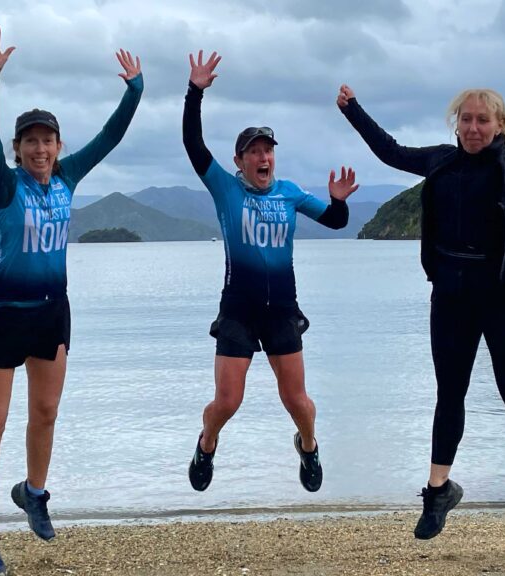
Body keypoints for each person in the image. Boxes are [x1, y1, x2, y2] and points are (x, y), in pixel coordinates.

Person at [337, 51, 505, 553]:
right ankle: (438, 492)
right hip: (452, 297)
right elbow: (390, 152)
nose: (475, 127)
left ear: (501, 124)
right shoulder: (441, 161)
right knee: (449, 395)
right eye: (467, 119)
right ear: (456, 124)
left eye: (484, 119)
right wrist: (353, 110)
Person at [0, 25, 143, 576]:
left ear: (58, 147)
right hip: (2, 313)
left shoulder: (67, 177)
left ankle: (34, 491)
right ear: (19, 150)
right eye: (30, 141)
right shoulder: (3, 184)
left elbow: (110, 138)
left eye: (48, 140)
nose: (40, 148)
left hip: (51, 311)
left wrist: (134, 91)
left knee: (45, 412)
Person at [182, 50, 358, 494]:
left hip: (281, 308)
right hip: (238, 309)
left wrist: (338, 200)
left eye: (268, 151)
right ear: (240, 161)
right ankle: (207, 443)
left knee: (297, 399)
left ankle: (308, 444)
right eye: (254, 152)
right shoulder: (225, 188)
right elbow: (192, 144)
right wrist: (194, 92)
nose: (263, 158)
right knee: (228, 400)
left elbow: (337, 222)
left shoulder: (290, 193)